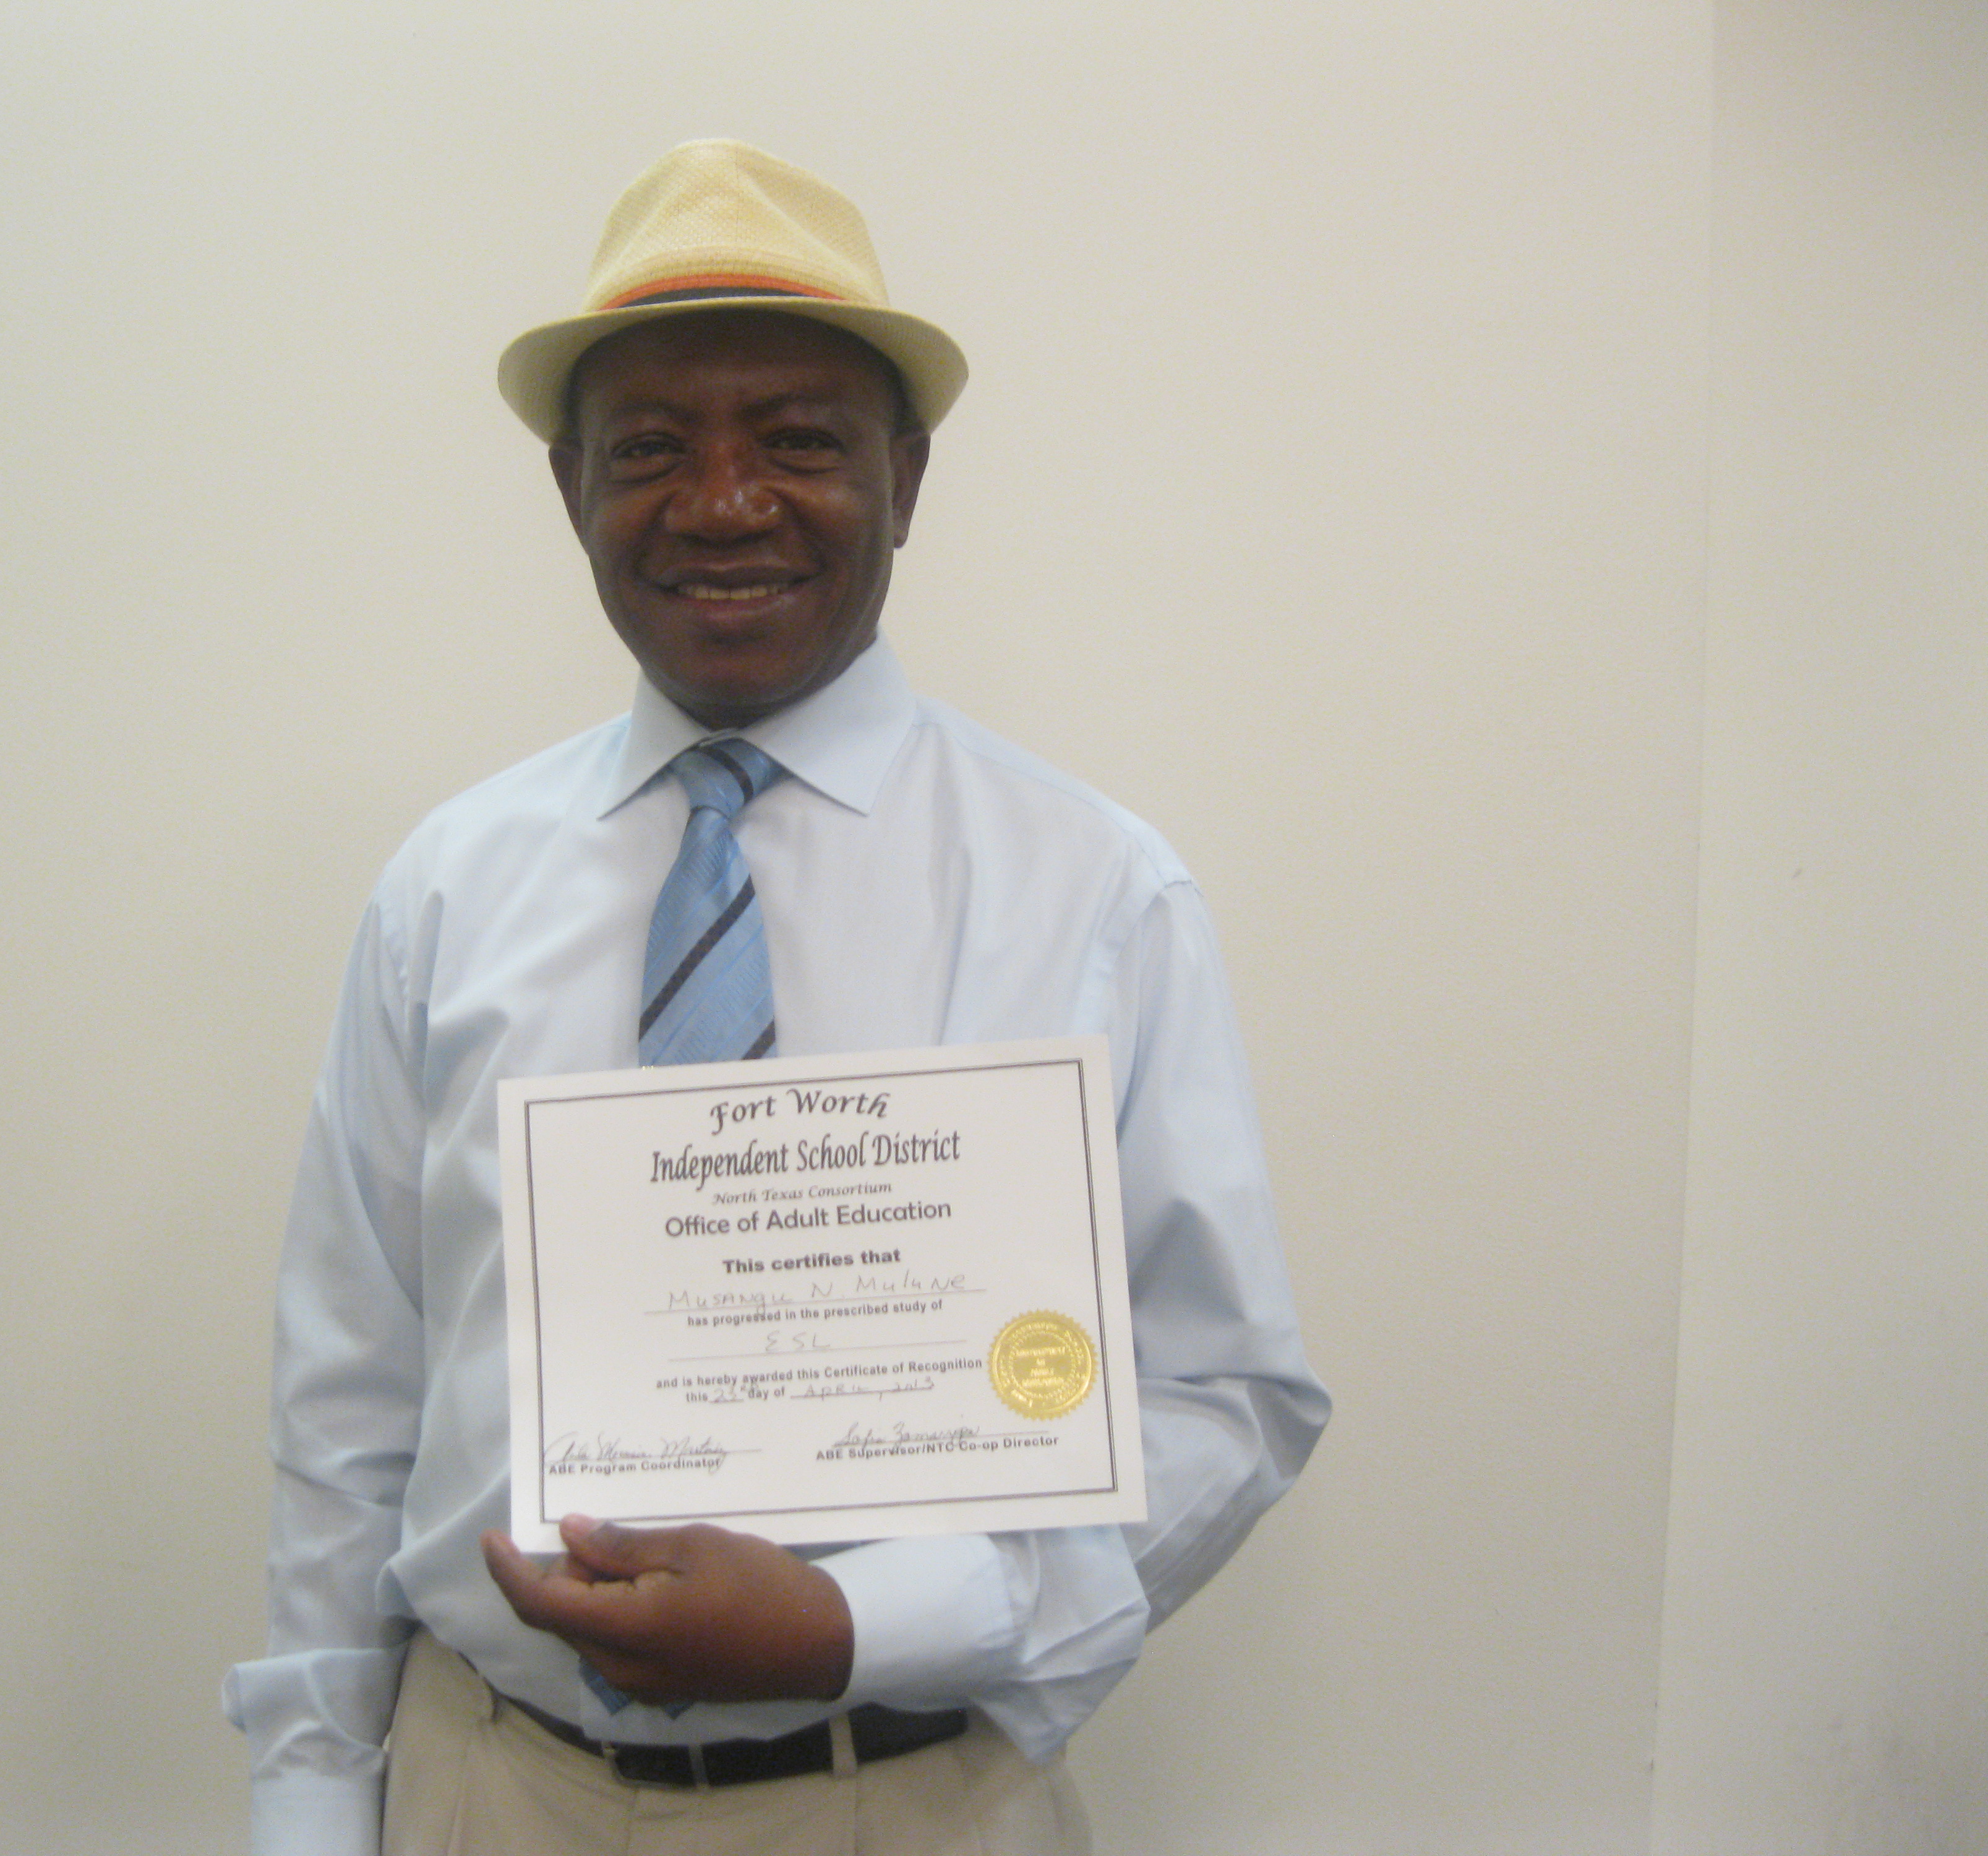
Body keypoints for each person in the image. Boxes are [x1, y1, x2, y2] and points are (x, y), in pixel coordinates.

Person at [224, 139, 1328, 1856]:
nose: (724, 504)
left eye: (799, 441)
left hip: (914, 1801)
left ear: (906, 476)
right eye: (649, 449)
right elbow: (350, 1398)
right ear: (570, 488)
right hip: (486, 1790)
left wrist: (856, 1626)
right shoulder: (446, 888)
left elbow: (1223, 1396)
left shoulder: (1097, 892)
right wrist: (307, 1807)